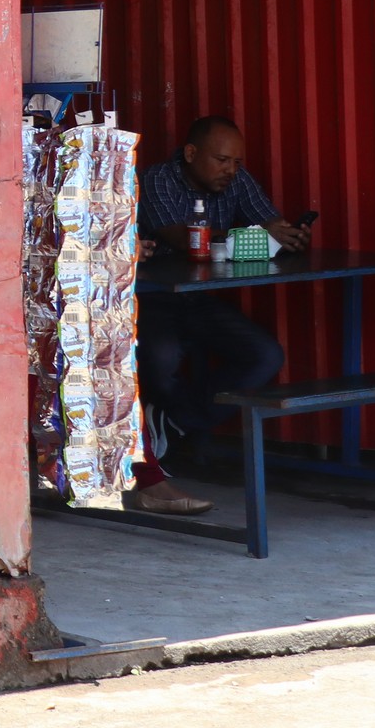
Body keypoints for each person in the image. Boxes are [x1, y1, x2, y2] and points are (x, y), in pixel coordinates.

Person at [130, 115, 309, 514]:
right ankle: (161, 433)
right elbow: (182, 238)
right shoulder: (159, 179)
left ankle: (174, 422)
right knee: (159, 361)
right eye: (222, 160)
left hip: (200, 299)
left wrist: (287, 235)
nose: (230, 170)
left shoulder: (236, 181)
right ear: (191, 153)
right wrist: (260, 237)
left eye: (236, 162)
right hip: (154, 301)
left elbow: (269, 222)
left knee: (265, 355)